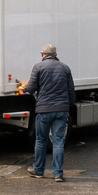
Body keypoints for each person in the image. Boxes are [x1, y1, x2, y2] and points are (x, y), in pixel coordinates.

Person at [23, 44, 74, 182]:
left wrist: (24, 89)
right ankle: (58, 173)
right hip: (61, 110)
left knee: (41, 140)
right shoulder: (65, 68)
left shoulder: (38, 67)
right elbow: (71, 91)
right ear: (56, 54)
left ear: (42, 54)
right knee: (58, 141)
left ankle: (38, 170)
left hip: (44, 110)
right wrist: (69, 105)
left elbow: (31, 88)